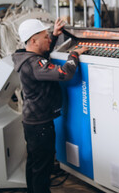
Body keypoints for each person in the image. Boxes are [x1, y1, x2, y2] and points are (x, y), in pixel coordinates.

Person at [12, 18, 88, 193]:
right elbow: (65, 73)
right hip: (41, 127)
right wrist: (75, 54)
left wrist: (54, 35)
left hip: (32, 123)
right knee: (42, 169)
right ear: (33, 41)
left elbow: (43, 56)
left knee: (34, 163)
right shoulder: (34, 64)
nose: (49, 40)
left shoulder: (26, 57)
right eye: (45, 37)